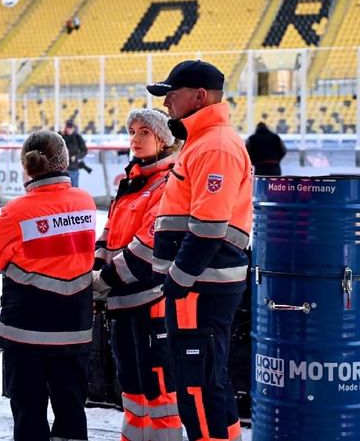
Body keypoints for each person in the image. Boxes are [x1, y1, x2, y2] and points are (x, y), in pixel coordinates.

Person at [146, 60, 252, 441]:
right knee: (207, 380)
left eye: (172, 94)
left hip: (199, 287)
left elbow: (208, 229)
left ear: (200, 96)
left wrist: (176, 280)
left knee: (198, 386)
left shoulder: (215, 146)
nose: (168, 102)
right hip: (197, 284)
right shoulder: (204, 141)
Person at [0, 130, 96, 441]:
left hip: (26, 334)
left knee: (29, 412)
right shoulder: (85, 203)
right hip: (75, 330)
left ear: (26, 165)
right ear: (64, 160)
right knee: (72, 410)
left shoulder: (15, 212)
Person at [92, 109, 182, 440]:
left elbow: (148, 247)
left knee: (159, 391)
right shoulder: (130, 180)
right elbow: (110, 230)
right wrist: (97, 265)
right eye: (132, 131)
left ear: (163, 139)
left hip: (152, 303)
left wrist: (101, 281)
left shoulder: (169, 183)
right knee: (130, 386)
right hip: (122, 303)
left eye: (144, 131)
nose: (135, 139)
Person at [60, 119, 88, 187]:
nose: (69, 129)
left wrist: (76, 157)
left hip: (73, 168)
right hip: (62, 168)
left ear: (73, 128)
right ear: (65, 127)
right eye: (68, 127)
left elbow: (84, 151)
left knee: (74, 188)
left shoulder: (77, 137)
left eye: (71, 128)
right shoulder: (60, 136)